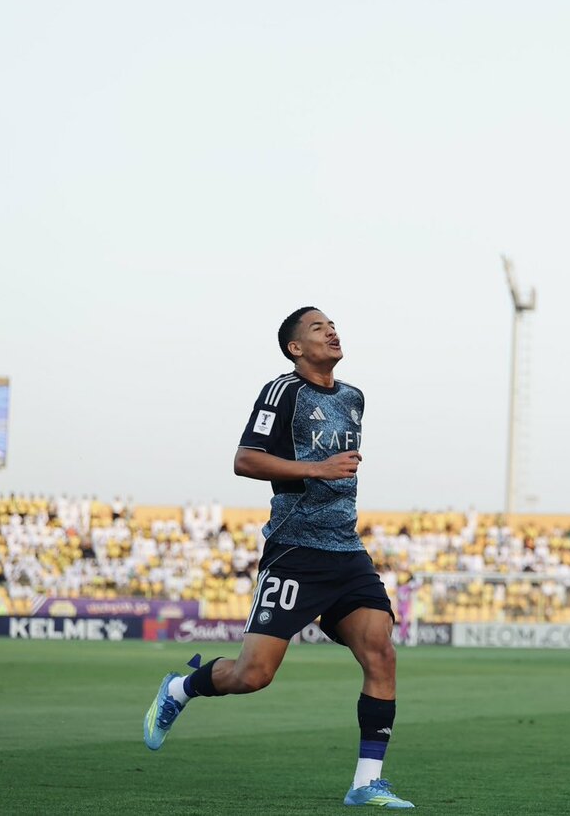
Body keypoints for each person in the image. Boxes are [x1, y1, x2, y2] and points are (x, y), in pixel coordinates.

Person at [142, 307, 413, 809]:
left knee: (381, 652)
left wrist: (328, 474)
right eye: (317, 327)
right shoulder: (282, 391)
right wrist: (317, 468)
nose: (331, 331)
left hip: (346, 551)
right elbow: (245, 459)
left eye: (332, 324)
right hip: (294, 552)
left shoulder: (354, 397)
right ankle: (181, 688)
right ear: (295, 348)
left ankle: (365, 783)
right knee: (253, 676)